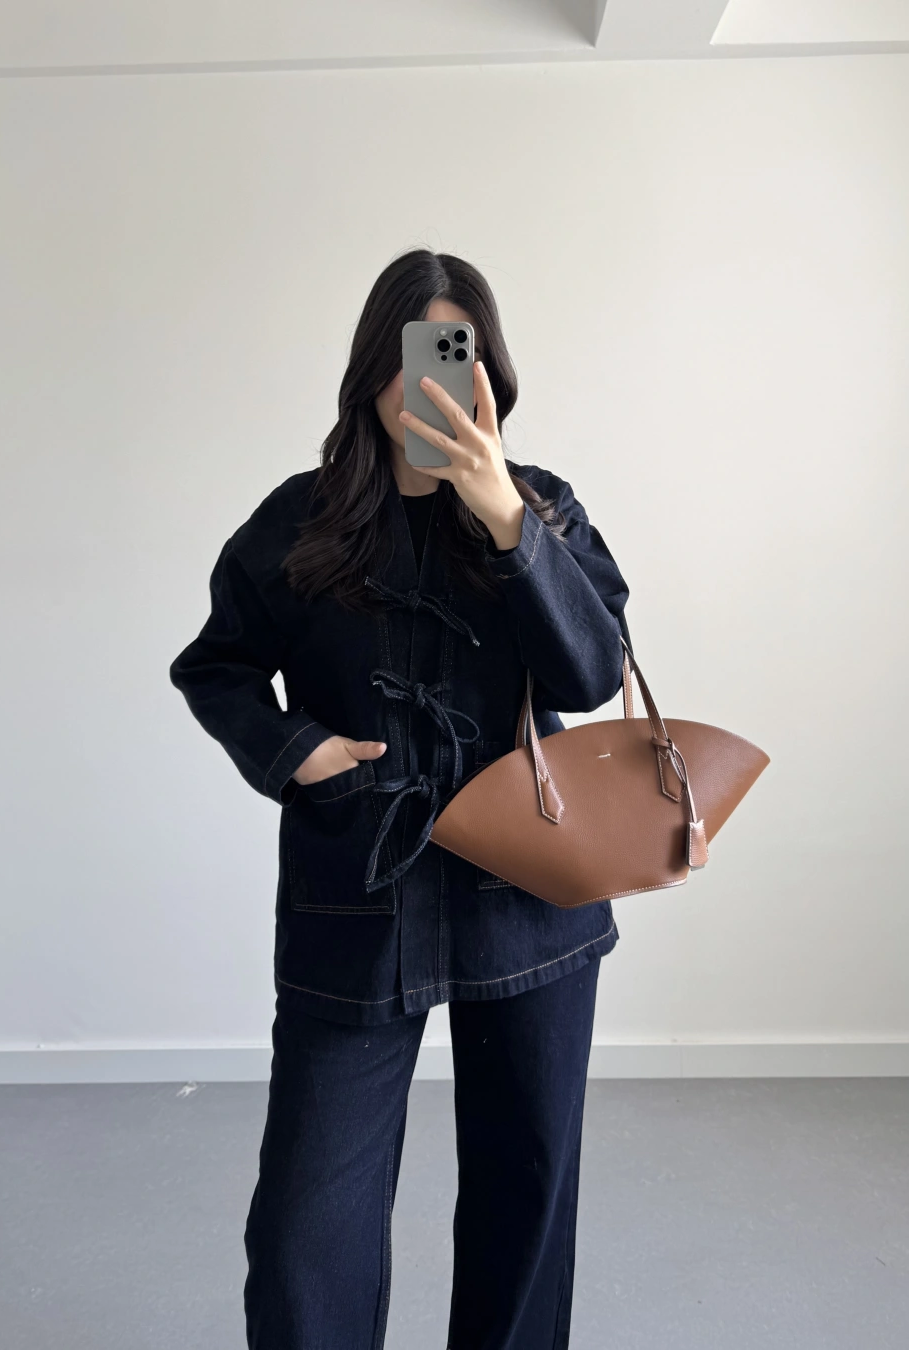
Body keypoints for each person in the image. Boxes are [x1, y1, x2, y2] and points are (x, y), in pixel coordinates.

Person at [169, 247, 632, 1350]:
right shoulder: (302, 519)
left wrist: (504, 515)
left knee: (527, 1190)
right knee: (306, 1221)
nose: (426, 383)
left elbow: (592, 674)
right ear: (372, 366)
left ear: (487, 371)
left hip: (528, 891)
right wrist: (297, 750)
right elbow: (215, 666)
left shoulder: (543, 506)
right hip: (356, 893)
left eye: (451, 355)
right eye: (409, 355)